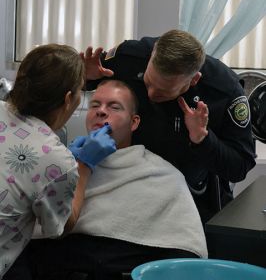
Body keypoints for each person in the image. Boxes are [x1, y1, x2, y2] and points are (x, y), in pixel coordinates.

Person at [27, 79, 207, 280]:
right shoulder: (62, 164)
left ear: (134, 122)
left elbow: (186, 251)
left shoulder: (162, 174)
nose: (101, 111)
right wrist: (77, 164)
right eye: (95, 105)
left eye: (114, 107)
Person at [83, 29, 256, 223]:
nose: (150, 94)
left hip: (189, 192)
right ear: (150, 58)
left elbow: (239, 167)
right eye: (148, 83)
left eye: (163, 92)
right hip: (129, 179)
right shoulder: (129, 56)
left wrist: (202, 138)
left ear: (193, 80)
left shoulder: (223, 91)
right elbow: (78, 87)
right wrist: (85, 78)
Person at [0, 44, 116, 280]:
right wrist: (83, 165)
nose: (102, 112)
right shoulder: (57, 162)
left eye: (114, 106)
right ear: (68, 99)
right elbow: (61, 226)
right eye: (92, 100)